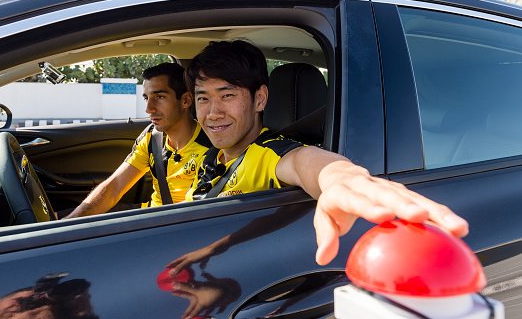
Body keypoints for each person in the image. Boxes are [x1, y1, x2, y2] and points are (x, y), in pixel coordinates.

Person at [183, 40, 469, 266]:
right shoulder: (211, 157)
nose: (213, 112)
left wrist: (343, 177)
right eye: (203, 98)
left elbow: (304, 162)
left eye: (227, 95)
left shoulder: (269, 153)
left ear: (260, 99)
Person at [65, 63, 211, 218]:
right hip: (150, 212)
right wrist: (70, 221)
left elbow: (197, 210)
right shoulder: (152, 138)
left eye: (159, 97)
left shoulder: (211, 145)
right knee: (58, 218)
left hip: (177, 224)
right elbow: (115, 186)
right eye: (146, 98)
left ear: (186, 100)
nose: (149, 108)